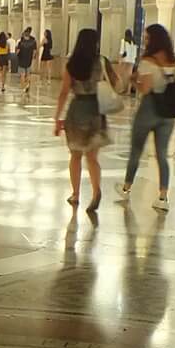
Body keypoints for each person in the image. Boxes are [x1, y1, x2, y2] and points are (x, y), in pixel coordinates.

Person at [119, 22, 175, 212]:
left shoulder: (147, 61)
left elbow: (145, 89)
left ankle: (127, 188)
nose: (144, 41)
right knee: (162, 154)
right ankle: (163, 196)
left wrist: (133, 81)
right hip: (168, 112)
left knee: (136, 150)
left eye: (146, 38)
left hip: (149, 109)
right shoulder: (172, 61)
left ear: (154, 39)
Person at [54, 26, 112, 215]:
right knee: (92, 157)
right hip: (97, 110)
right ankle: (96, 191)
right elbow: (118, 82)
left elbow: (64, 92)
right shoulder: (102, 62)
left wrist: (57, 117)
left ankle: (76, 194)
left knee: (76, 155)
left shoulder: (72, 64)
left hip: (77, 110)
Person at [16, 25, 38, 94]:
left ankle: (23, 88)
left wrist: (16, 54)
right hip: (29, 59)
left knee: (22, 74)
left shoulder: (21, 42)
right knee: (28, 74)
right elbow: (34, 51)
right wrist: (33, 57)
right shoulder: (33, 41)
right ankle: (28, 84)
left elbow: (18, 51)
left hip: (21, 59)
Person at [119, 27, 138, 95]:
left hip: (125, 60)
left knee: (122, 75)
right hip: (132, 60)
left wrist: (120, 60)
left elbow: (121, 51)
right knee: (129, 76)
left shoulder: (123, 41)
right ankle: (128, 91)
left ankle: (123, 88)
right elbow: (135, 54)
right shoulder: (134, 42)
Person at [0, 29, 11, 93]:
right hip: (5, 57)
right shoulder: (7, 43)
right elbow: (8, 51)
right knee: (4, 73)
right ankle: (3, 86)